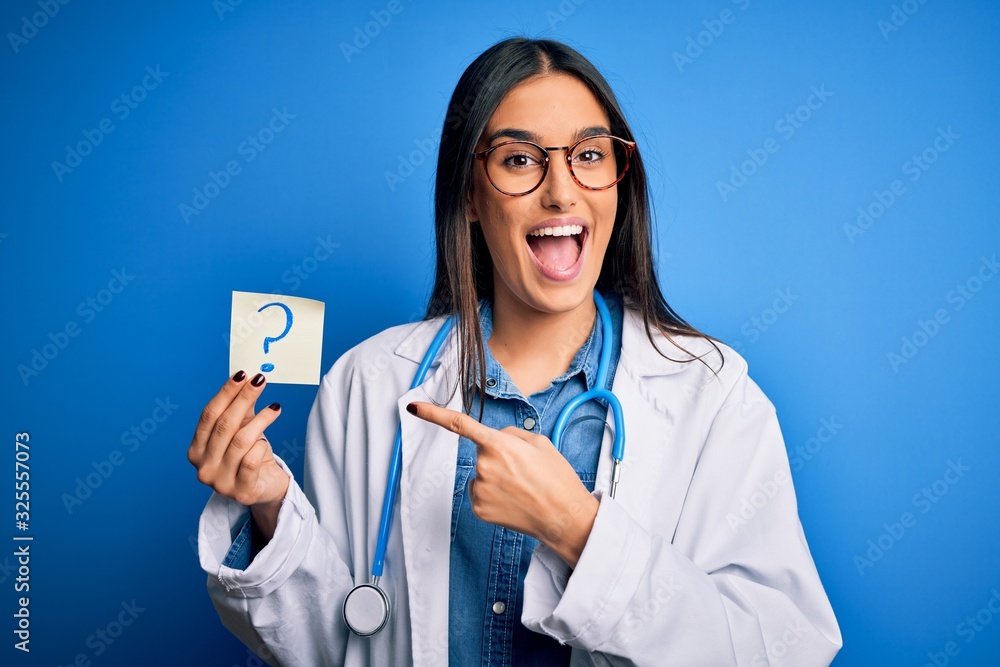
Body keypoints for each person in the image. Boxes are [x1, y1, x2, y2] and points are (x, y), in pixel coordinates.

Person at [189, 37, 842, 666]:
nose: (562, 190)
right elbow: (339, 646)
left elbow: (786, 650)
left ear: (620, 179)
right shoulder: (368, 381)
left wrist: (576, 526)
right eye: (521, 160)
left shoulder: (711, 392)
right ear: (469, 195)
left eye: (590, 154)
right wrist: (270, 508)